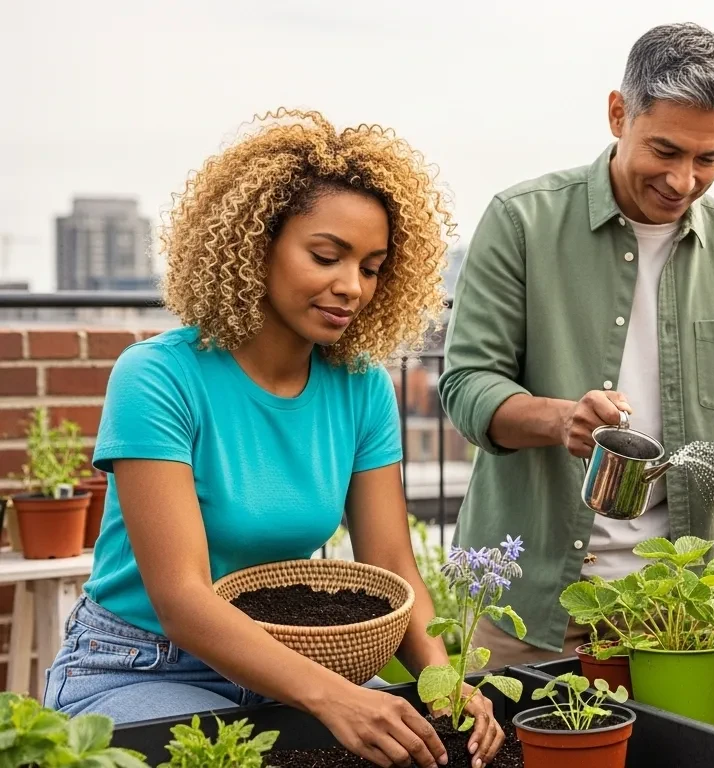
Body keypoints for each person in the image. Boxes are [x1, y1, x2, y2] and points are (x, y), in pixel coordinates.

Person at [43, 109, 504, 768]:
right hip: (141, 667)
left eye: (372, 267)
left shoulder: (361, 387)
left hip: (294, 664)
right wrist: (334, 699)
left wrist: (442, 682)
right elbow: (182, 599)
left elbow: (394, 567)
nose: (352, 286)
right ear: (255, 243)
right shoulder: (157, 378)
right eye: (326, 256)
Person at [439, 22, 714, 665]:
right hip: (529, 598)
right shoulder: (521, 221)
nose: (683, 181)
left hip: (679, 599)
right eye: (666, 151)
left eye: (708, 158)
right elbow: (467, 385)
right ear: (618, 114)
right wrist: (559, 417)